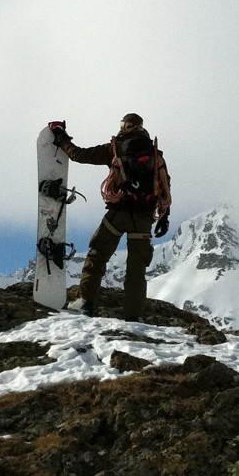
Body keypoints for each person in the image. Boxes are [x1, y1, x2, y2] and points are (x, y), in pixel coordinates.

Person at [48, 113, 171, 322]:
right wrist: (164, 217)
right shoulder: (154, 154)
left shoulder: (114, 149)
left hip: (118, 214)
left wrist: (61, 138)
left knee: (97, 255)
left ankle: (86, 303)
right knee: (137, 269)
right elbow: (164, 184)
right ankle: (133, 316)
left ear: (123, 126)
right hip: (143, 219)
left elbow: (79, 155)